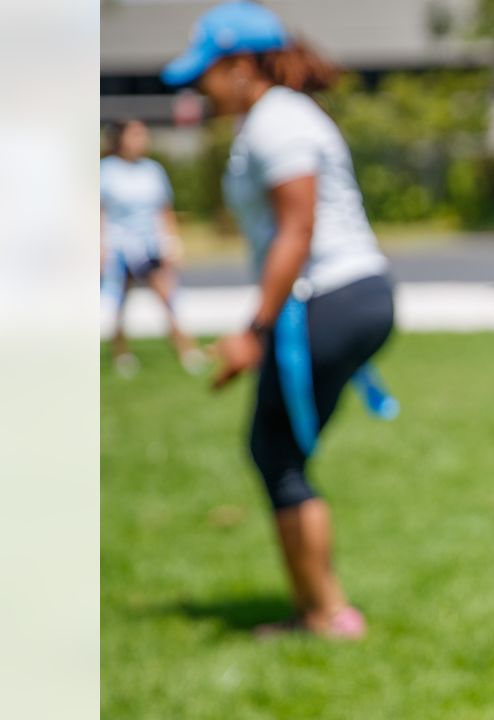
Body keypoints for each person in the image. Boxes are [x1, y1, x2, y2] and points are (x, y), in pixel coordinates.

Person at [162, 1, 395, 638]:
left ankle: (325, 614)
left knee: (275, 451)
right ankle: (320, 609)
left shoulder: (277, 123)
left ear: (240, 66)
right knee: (277, 450)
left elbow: (298, 230)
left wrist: (253, 332)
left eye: (206, 73)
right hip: (346, 297)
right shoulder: (276, 119)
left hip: (333, 296)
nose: (199, 89)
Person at [100, 119, 202, 377]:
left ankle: (186, 349)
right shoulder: (106, 171)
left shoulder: (153, 170)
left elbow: (163, 209)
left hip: (150, 244)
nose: (141, 140)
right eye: (135, 135)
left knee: (168, 297)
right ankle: (121, 353)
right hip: (120, 246)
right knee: (120, 303)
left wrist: (171, 242)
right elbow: (99, 212)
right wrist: (101, 247)